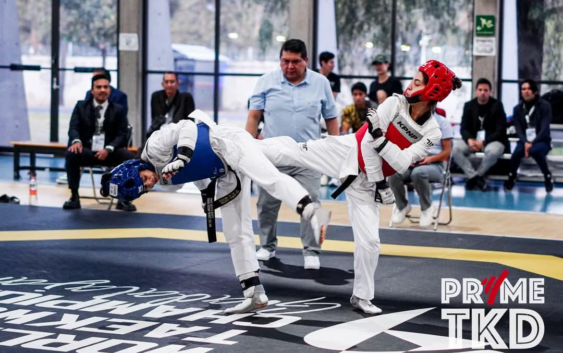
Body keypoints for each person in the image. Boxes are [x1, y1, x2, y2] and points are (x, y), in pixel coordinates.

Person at [259, 60, 461, 315]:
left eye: (418, 82)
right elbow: (366, 144)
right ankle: (241, 147)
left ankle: (362, 297)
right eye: (413, 79)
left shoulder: (431, 131)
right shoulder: (394, 103)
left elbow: (400, 164)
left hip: (368, 187)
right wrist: (379, 173)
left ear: (432, 91)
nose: (411, 84)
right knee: (294, 151)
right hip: (348, 152)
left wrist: (380, 139)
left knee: (370, 243)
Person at [100, 110, 331, 314]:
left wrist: (183, 155)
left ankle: (314, 212)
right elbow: (196, 174)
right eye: (146, 188)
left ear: (135, 168)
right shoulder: (164, 181)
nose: (150, 183)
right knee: (235, 232)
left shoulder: (155, 145)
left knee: (268, 177)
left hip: (227, 142)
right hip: (223, 172)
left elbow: (189, 126)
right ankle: (254, 293)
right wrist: (207, 195)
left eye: (144, 180)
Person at [246, 39, 339, 270]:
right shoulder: (265, 82)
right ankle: (267, 245)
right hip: (272, 155)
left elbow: (331, 117)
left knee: (313, 202)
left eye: (295, 62)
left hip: (309, 155)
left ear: (305, 61)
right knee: (266, 204)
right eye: (285, 61)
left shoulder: (321, 83)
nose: (289, 66)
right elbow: (254, 117)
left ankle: (312, 250)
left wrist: (335, 148)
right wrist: (247, 148)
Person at [64, 74, 136, 211]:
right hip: (87, 150)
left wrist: (108, 149)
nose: (103, 90)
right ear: (92, 90)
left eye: (106, 87)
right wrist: (76, 141)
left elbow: (122, 135)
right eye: (99, 87)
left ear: (109, 89)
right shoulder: (80, 106)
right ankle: (74, 196)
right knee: (72, 153)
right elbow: (73, 128)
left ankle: (123, 198)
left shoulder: (118, 109)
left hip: (110, 151)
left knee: (128, 157)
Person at [388, 110, 454, 227]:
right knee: (393, 172)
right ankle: (402, 205)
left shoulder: (443, 123)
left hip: (435, 164)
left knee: (419, 173)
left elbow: (447, 152)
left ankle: (427, 207)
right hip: (413, 161)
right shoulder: (411, 121)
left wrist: (430, 159)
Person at [452, 78, 508, 191]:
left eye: (486, 90)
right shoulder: (469, 106)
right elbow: (463, 128)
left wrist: (483, 142)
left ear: (490, 91)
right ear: (476, 91)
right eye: (480, 90)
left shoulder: (497, 105)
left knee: (492, 152)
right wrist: (469, 140)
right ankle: (473, 176)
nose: (483, 92)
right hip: (472, 140)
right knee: (455, 150)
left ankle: (477, 175)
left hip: (491, 140)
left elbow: (501, 130)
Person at [505, 79, 554, 192]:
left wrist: (532, 143)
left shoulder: (545, 106)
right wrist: (526, 142)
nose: (526, 91)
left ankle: (547, 176)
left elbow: (544, 128)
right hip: (524, 141)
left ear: (535, 91)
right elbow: (518, 129)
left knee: (535, 150)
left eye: (528, 89)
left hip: (541, 140)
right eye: (523, 89)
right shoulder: (517, 109)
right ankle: (512, 176)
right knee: (516, 153)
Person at [147, 72, 195, 138]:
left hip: (179, 136)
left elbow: (190, 123)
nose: (169, 85)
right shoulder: (156, 97)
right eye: (166, 82)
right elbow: (155, 120)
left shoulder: (186, 98)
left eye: (172, 82)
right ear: (162, 84)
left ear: (178, 83)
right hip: (160, 136)